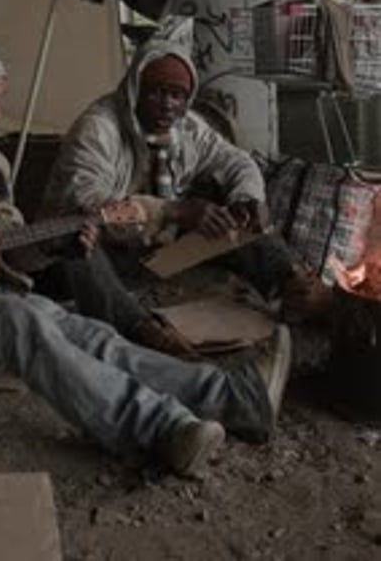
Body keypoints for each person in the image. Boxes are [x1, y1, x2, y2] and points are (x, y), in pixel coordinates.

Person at [0, 1, 290, 476]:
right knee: (20, 320)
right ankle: (159, 430)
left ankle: (232, 399)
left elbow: (7, 241)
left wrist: (52, 244)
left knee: (84, 330)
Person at [42, 34, 303, 350]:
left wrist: (245, 198)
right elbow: (86, 206)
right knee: (79, 247)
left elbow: (236, 161)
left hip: (158, 256)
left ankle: (294, 289)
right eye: (157, 92)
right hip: (110, 256)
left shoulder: (188, 127)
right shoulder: (98, 129)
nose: (168, 104)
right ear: (135, 89)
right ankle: (139, 329)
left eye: (178, 95)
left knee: (243, 220)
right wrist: (175, 210)